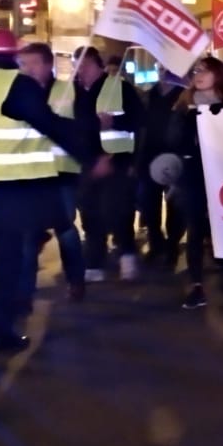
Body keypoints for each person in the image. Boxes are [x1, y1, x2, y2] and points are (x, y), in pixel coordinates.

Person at [0, 27, 102, 358]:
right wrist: (90, 157)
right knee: (6, 264)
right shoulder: (17, 84)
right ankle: (0, 331)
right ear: (12, 56)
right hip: (8, 194)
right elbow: (49, 124)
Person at [169, 56, 223, 311]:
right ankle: (196, 285)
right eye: (195, 71)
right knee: (195, 229)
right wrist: (191, 125)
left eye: (205, 71)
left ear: (218, 75)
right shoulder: (183, 104)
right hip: (193, 175)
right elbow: (172, 139)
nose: (198, 75)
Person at [16, 43, 86, 300]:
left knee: (65, 228)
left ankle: (76, 280)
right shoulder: (17, 94)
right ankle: (24, 288)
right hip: (28, 173)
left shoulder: (68, 91)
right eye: (23, 64)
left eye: (33, 63)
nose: (28, 69)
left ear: (49, 65)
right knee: (26, 232)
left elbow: (81, 128)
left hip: (62, 171)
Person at [73, 46, 143, 282]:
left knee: (118, 211)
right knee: (90, 213)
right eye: (77, 65)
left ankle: (127, 255)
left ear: (97, 65)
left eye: (85, 65)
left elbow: (139, 121)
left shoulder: (118, 87)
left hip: (117, 161)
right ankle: (94, 262)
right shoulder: (73, 91)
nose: (80, 70)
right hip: (86, 163)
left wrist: (114, 122)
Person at [135, 65, 187, 268]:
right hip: (148, 157)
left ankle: (172, 246)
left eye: (168, 68)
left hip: (174, 157)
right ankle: (156, 244)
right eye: (161, 68)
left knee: (175, 204)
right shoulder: (148, 95)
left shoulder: (184, 97)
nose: (164, 72)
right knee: (149, 204)